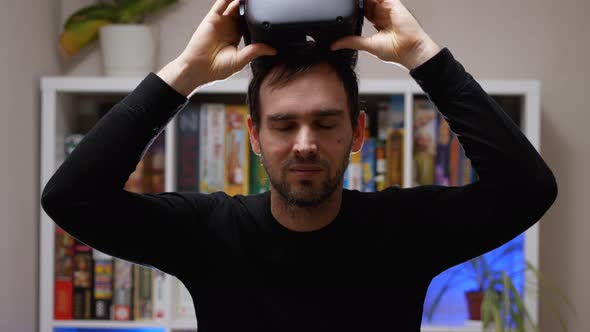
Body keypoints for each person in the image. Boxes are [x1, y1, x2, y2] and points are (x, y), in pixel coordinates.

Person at [41, 0, 558, 331]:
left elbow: (528, 189)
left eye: (326, 123)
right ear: (254, 138)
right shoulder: (208, 233)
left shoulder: (404, 230)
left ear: (357, 134)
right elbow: (70, 198)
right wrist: (185, 73)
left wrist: (422, 54)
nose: (305, 144)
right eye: (285, 125)